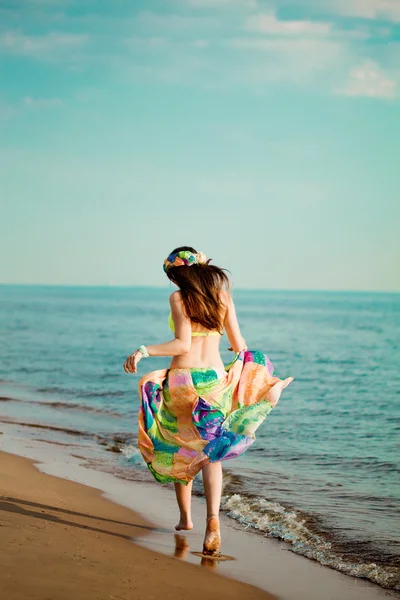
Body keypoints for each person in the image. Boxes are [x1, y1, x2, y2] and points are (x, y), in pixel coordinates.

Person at [124, 246, 293, 555]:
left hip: (182, 381)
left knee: (181, 444)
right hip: (213, 382)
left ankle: (186, 518)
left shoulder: (178, 298)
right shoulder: (223, 297)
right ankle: (213, 520)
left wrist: (143, 350)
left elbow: (182, 343)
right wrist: (237, 360)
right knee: (211, 452)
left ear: (179, 275)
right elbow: (240, 345)